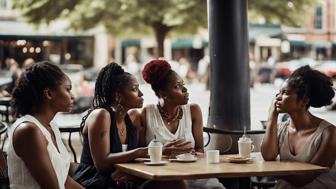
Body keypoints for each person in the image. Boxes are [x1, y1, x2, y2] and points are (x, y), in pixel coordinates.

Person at [140, 59, 225, 189]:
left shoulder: (193, 110)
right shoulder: (147, 114)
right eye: (177, 86)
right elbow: (139, 156)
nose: (185, 89)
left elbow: (200, 150)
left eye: (183, 84)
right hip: (164, 178)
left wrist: (191, 154)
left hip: (194, 172)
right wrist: (163, 152)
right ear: (163, 94)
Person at [8, 61, 83, 189]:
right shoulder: (29, 130)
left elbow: (64, 181)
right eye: (68, 89)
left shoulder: (51, 127)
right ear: (48, 93)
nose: (73, 96)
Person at [73, 63, 148, 188]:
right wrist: (137, 153)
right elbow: (102, 164)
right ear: (118, 96)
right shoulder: (101, 115)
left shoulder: (129, 119)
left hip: (122, 179)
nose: (141, 94)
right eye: (134, 89)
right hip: (95, 181)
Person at [261, 65, 336, 188]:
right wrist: (272, 116)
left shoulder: (329, 133)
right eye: (279, 92)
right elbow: (268, 156)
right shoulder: (282, 129)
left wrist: (274, 172)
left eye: (285, 93)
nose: (277, 98)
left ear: (304, 101)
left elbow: (304, 178)